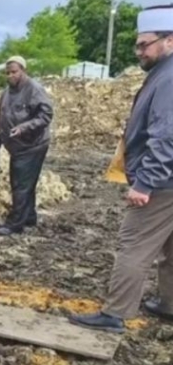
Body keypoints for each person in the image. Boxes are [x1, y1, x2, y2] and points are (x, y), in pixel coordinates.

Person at [69, 5, 173, 333]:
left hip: (162, 184)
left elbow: (166, 135)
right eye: (137, 45)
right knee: (170, 246)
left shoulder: (169, 79)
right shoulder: (163, 75)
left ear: (169, 41)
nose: (138, 51)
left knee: (134, 245)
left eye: (145, 44)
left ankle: (114, 314)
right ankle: (170, 304)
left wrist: (145, 183)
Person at [0, 55, 54, 236]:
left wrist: (25, 127)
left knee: (20, 184)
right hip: (16, 147)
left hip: (32, 145)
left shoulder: (34, 89)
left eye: (14, 72)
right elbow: (0, 124)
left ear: (23, 71)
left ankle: (14, 224)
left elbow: (46, 115)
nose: (10, 76)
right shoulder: (6, 94)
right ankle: (29, 217)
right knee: (27, 183)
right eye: (8, 73)